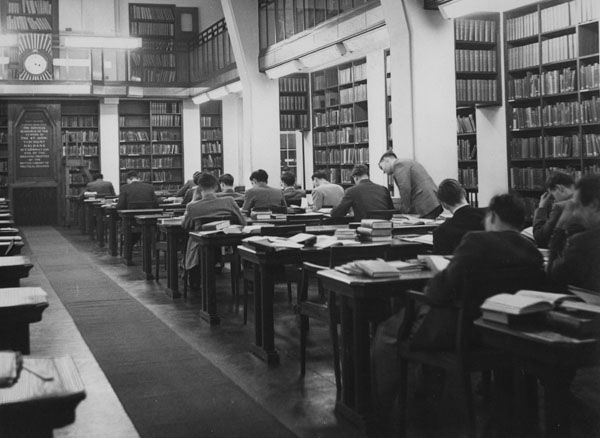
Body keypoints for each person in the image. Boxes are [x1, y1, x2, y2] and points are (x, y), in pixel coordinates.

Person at [372, 193, 545, 419]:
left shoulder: (476, 240)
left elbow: (438, 293)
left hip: (461, 334)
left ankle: (379, 410)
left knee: (387, 333)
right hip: (502, 335)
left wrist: (434, 279)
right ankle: (425, 397)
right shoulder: (532, 250)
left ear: (491, 217)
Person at [183, 173, 247, 275]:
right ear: (216, 187)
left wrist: (193, 201)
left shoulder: (192, 207)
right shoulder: (229, 201)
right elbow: (243, 222)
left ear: (199, 188)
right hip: (226, 240)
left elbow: (185, 226)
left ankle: (192, 272)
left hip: (202, 243)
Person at [547, 174, 600, 293]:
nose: (575, 213)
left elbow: (552, 276)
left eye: (577, 206)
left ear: (594, 205)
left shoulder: (583, 242)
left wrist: (559, 227)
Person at [378, 151, 441, 219]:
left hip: (425, 204)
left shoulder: (398, 164)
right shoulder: (407, 162)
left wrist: (404, 211)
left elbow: (405, 189)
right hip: (432, 201)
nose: (384, 172)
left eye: (382, 167)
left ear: (386, 160)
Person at [432, 179, 485, 255]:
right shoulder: (489, 216)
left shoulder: (441, 231)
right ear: (464, 193)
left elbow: (439, 263)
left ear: (444, 204)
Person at [533, 171, 575, 248]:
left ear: (559, 188)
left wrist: (541, 208)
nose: (554, 200)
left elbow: (541, 238)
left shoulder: (560, 207)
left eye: (552, 196)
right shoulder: (589, 200)